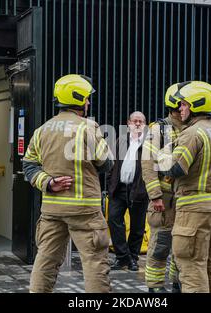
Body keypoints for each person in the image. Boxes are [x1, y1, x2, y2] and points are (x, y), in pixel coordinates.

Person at [22, 74, 114, 293]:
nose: (88, 102)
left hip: (52, 209)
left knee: (45, 261)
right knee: (94, 263)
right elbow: (106, 163)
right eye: (86, 98)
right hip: (85, 211)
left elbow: (29, 166)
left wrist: (49, 182)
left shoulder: (42, 130)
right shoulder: (88, 127)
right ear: (78, 99)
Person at [157, 81, 211, 293]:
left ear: (195, 106)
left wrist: (162, 153)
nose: (179, 109)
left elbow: (175, 168)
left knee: (192, 266)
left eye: (183, 105)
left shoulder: (192, 133)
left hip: (194, 209)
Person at [141, 83, 185, 292]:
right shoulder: (159, 129)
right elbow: (147, 163)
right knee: (160, 246)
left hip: (185, 200)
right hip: (164, 201)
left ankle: (177, 283)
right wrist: (155, 196)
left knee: (182, 247)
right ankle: (155, 288)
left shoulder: (192, 128)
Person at [107, 111, 148, 272]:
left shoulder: (149, 143)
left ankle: (133, 258)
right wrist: (111, 183)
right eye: (135, 121)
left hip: (139, 190)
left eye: (141, 121)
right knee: (114, 220)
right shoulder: (120, 140)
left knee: (137, 227)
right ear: (128, 123)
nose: (138, 124)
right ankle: (123, 257)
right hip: (119, 188)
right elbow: (111, 164)